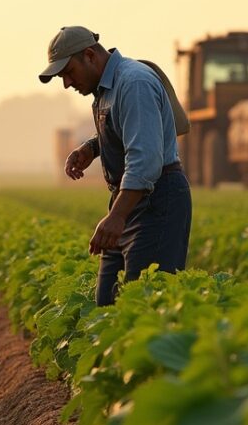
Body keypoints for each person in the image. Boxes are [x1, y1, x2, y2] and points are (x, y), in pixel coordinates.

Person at [39, 26, 192, 306]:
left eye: (68, 72)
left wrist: (117, 216)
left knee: (143, 307)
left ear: (89, 56)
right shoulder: (106, 88)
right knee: (107, 306)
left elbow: (145, 158)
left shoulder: (134, 83)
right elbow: (127, 129)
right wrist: (92, 148)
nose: (66, 83)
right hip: (132, 199)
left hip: (157, 202)